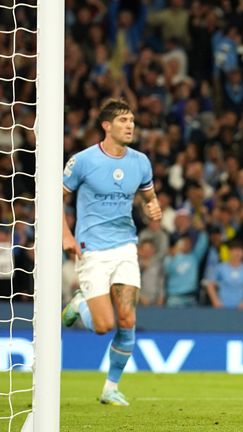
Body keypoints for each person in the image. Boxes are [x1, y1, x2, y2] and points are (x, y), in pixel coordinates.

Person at [61, 99, 162, 406]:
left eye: (131, 120)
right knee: (104, 326)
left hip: (125, 247)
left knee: (128, 319)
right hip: (92, 249)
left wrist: (153, 207)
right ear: (106, 126)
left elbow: (149, 197)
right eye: (122, 121)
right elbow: (55, 199)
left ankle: (110, 388)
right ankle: (80, 305)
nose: (130, 125)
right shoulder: (83, 161)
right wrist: (66, 236)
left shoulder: (141, 162)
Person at [205, 239, 243, 309]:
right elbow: (210, 285)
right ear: (229, 252)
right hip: (222, 307)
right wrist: (216, 301)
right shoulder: (221, 267)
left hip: (240, 308)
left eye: (240, 251)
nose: (237, 254)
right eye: (235, 251)